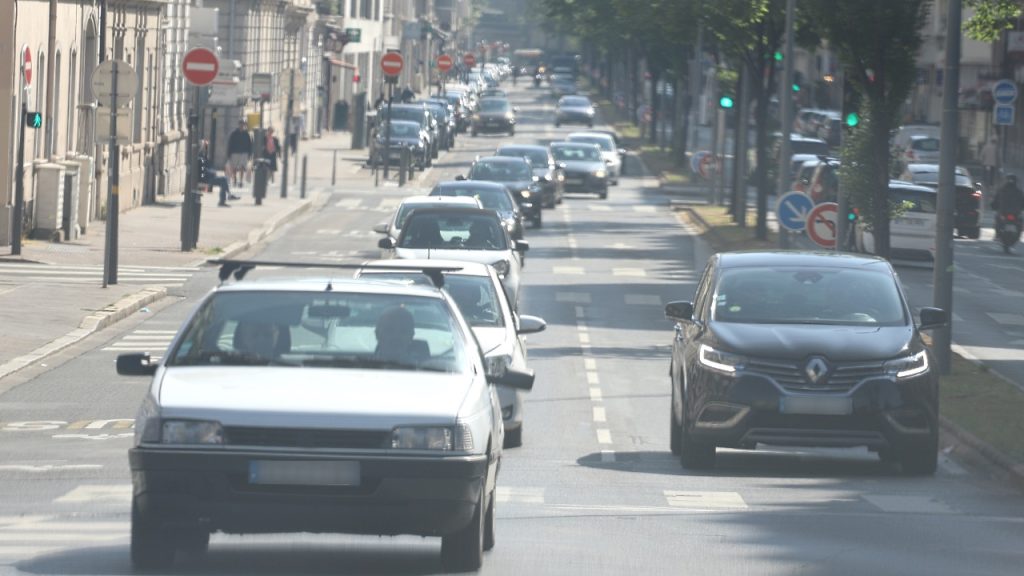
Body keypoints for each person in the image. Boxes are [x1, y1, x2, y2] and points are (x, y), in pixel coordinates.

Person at [197, 140, 239, 207]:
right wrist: (213, 173)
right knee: (223, 180)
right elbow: (203, 170)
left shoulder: (200, 157)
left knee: (223, 180)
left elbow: (205, 160)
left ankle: (227, 197)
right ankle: (226, 198)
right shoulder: (199, 159)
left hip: (206, 177)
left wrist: (206, 148)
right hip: (205, 179)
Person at [226, 120, 253, 187]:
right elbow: (230, 143)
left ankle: (240, 181)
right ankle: (235, 179)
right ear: (238, 125)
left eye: (242, 124)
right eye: (240, 124)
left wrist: (249, 153)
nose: (241, 126)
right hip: (235, 152)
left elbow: (249, 144)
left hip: (244, 152)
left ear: (244, 125)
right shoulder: (234, 133)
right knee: (234, 167)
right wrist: (229, 153)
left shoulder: (246, 134)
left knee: (242, 167)